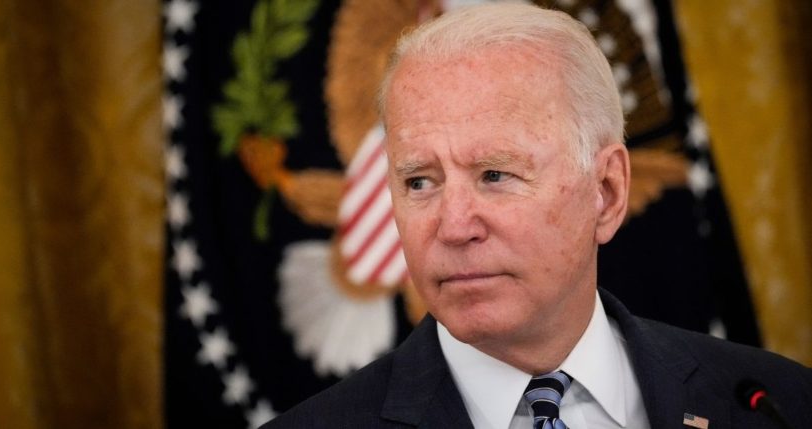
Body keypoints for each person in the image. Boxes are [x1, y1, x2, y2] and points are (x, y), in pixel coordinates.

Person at [264, 3, 812, 428]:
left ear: (607, 191)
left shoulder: (778, 406)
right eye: (419, 182)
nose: (454, 226)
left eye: (495, 175)